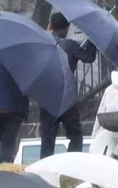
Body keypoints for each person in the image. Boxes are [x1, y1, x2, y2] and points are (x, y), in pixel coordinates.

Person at [40, 11, 98, 158]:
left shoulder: (41, 46)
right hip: (67, 99)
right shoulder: (70, 45)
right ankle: (71, 166)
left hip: (47, 100)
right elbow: (89, 57)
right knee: (76, 136)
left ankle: (43, 173)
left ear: (51, 27)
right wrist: (91, 38)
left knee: (47, 142)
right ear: (67, 28)